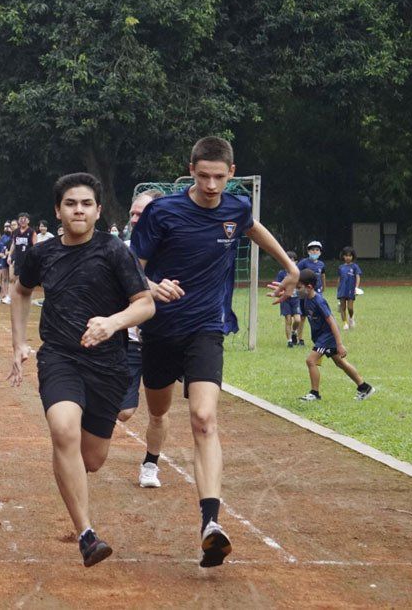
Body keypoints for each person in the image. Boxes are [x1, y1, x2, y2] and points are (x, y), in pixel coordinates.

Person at [130, 136, 298, 568]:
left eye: (219, 177)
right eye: (202, 176)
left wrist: (291, 268)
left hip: (207, 328)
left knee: (204, 418)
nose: (210, 185)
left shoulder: (235, 207)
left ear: (231, 172)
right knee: (159, 410)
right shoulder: (162, 211)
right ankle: (152, 453)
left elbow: (253, 227)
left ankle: (210, 524)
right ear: (190, 170)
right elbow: (130, 267)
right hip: (160, 331)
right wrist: (152, 287)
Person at [9, 172, 154, 567]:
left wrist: (112, 322)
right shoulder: (42, 253)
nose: (78, 210)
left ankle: (71, 470)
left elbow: (145, 304)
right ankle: (87, 533)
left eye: (86, 204)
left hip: (108, 365)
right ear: (58, 210)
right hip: (60, 357)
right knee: (62, 429)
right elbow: (20, 290)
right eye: (71, 204)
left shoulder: (114, 252)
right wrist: (19, 342)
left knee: (91, 459)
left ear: (98, 210)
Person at [117, 190, 163, 452]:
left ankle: (150, 463)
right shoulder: (122, 249)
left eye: (141, 213)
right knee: (124, 411)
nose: (134, 219)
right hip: (132, 340)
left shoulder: (174, 250)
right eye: (132, 213)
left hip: (164, 339)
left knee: (159, 411)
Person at [298, 269, 375, 401]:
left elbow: (332, 322)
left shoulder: (319, 301)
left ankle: (314, 393)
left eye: (298, 287)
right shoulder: (305, 299)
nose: (296, 290)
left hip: (327, 337)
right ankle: (364, 387)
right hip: (321, 337)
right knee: (340, 362)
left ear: (309, 287)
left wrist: (339, 344)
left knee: (311, 361)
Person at [296, 241, 326, 345]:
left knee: (317, 316)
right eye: (312, 250)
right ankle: (300, 338)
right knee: (303, 316)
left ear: (320, 252)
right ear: (308, 251)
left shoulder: (321, 264)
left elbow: (322, 276)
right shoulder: (303, 263)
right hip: (304, 293)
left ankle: (319, 337)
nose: (315, 252)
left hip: (317, 293)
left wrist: (323, 287)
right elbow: (296, 273)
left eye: (317, 250)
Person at [278, 251, 303, 347]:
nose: (290, 263)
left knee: (297, 320)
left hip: (295, 299)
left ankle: (294, 332)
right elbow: (278, 285)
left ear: (296, 262)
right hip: (285, 299)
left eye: (293, 261)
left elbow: (301, 286)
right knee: (288, 319)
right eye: (288, 261)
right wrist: (281, 292)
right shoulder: (281, 273)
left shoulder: (298, 273)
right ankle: (289, 341)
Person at [336, 246, 362, 330]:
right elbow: (339, 279)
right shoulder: (341, 267)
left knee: (350, 308)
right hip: (342, 290)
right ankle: (345, 323)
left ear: (352, 256)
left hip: (351, 289)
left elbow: (358, 277)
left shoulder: (355, 267)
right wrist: (338, 289)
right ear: (343, 256)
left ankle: (351, 318)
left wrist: (356, 287)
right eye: (346, 255)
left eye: (350, 256)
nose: (348, 257)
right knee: (343, 308)